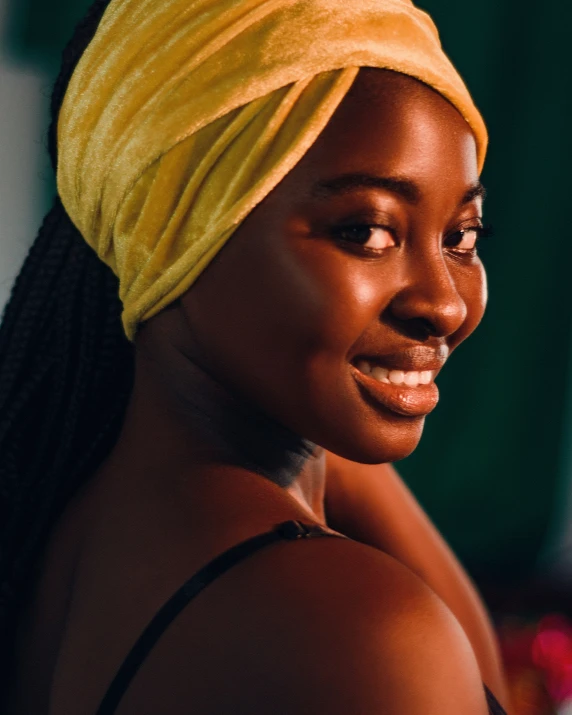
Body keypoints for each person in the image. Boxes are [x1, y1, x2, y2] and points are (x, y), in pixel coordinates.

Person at [0, 0, 510, 712]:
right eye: (366, 230)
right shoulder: (356, 630)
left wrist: (329, 430)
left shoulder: (71, 529)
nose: (445, 304)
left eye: (461, 235)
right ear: (173, 231)